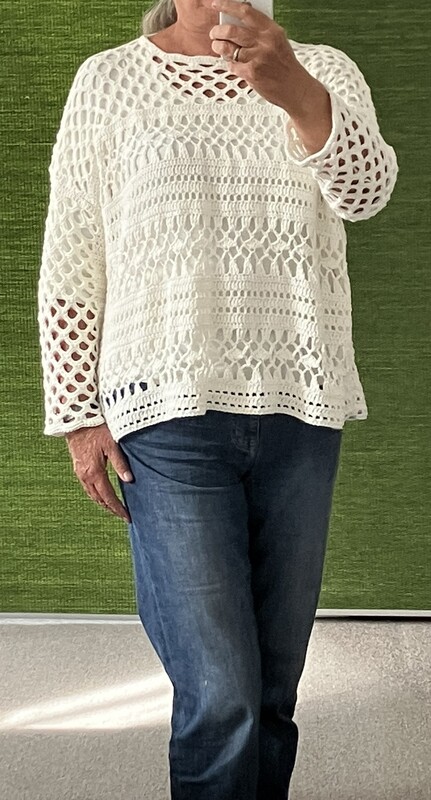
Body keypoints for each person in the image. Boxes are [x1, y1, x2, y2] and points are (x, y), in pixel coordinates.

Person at [37, 0, 399, 797]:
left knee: (272, 686)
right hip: (163, 408)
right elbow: (71, 250)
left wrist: (295, 90)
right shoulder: (109, 81)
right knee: (220, 695)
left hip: (299, 402)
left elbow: (365, 193)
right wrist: (77, 412)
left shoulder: (323, 70)